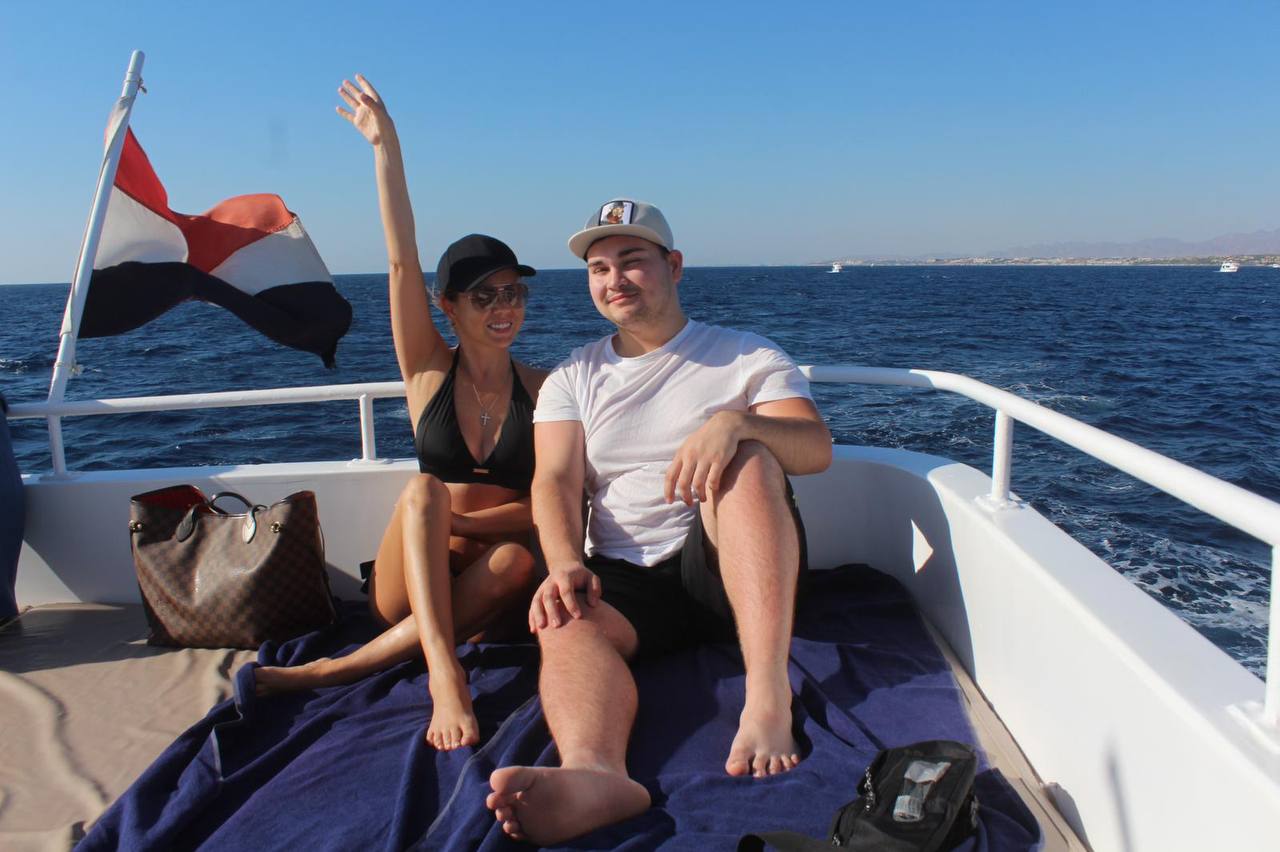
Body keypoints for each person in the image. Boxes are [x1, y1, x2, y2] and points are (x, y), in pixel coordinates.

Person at [486, 200, 832, 843]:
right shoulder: (573, 376)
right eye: (599, 269)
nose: (614, 279)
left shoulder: (745, 355)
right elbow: (555, 480)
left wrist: (736, 424)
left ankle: (768, 696)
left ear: (673, 266)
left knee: (749, 458)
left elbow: (815, 448)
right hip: (627, 572)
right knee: (564, 615)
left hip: (729, 562)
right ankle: (595, 774)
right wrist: (564, 564)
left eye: (632, 261)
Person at [253, 76, 545, 753]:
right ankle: (444, 675)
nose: (503, 307)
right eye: (483, 296)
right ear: (448, 306)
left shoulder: (545, 388)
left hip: (491, 587)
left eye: (512, 292)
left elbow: (548, 504)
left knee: (514, 559)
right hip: (409, 582)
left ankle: (340, 668)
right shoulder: (426, 371)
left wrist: (463, 522)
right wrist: (386, 150)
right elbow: (400, 259)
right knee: (421, 491)